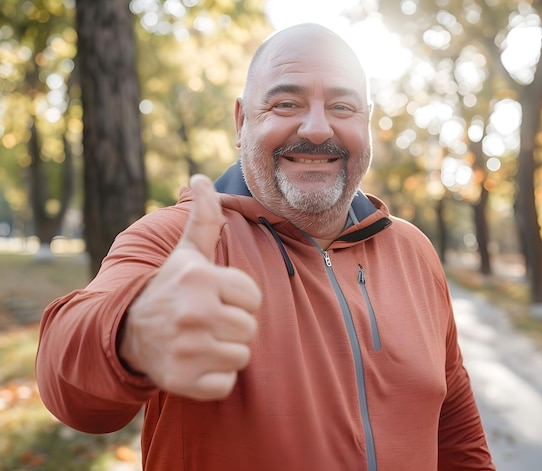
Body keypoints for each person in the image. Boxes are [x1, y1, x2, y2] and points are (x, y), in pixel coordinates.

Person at [36, 23, 495, 470]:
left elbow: (455, 432)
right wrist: (131, 334)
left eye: (342, 106)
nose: (317, 129)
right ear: (242, 121)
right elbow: (71, 391)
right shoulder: (176, 241)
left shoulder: (413, 250)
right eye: (286, 103)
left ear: (367, 123)